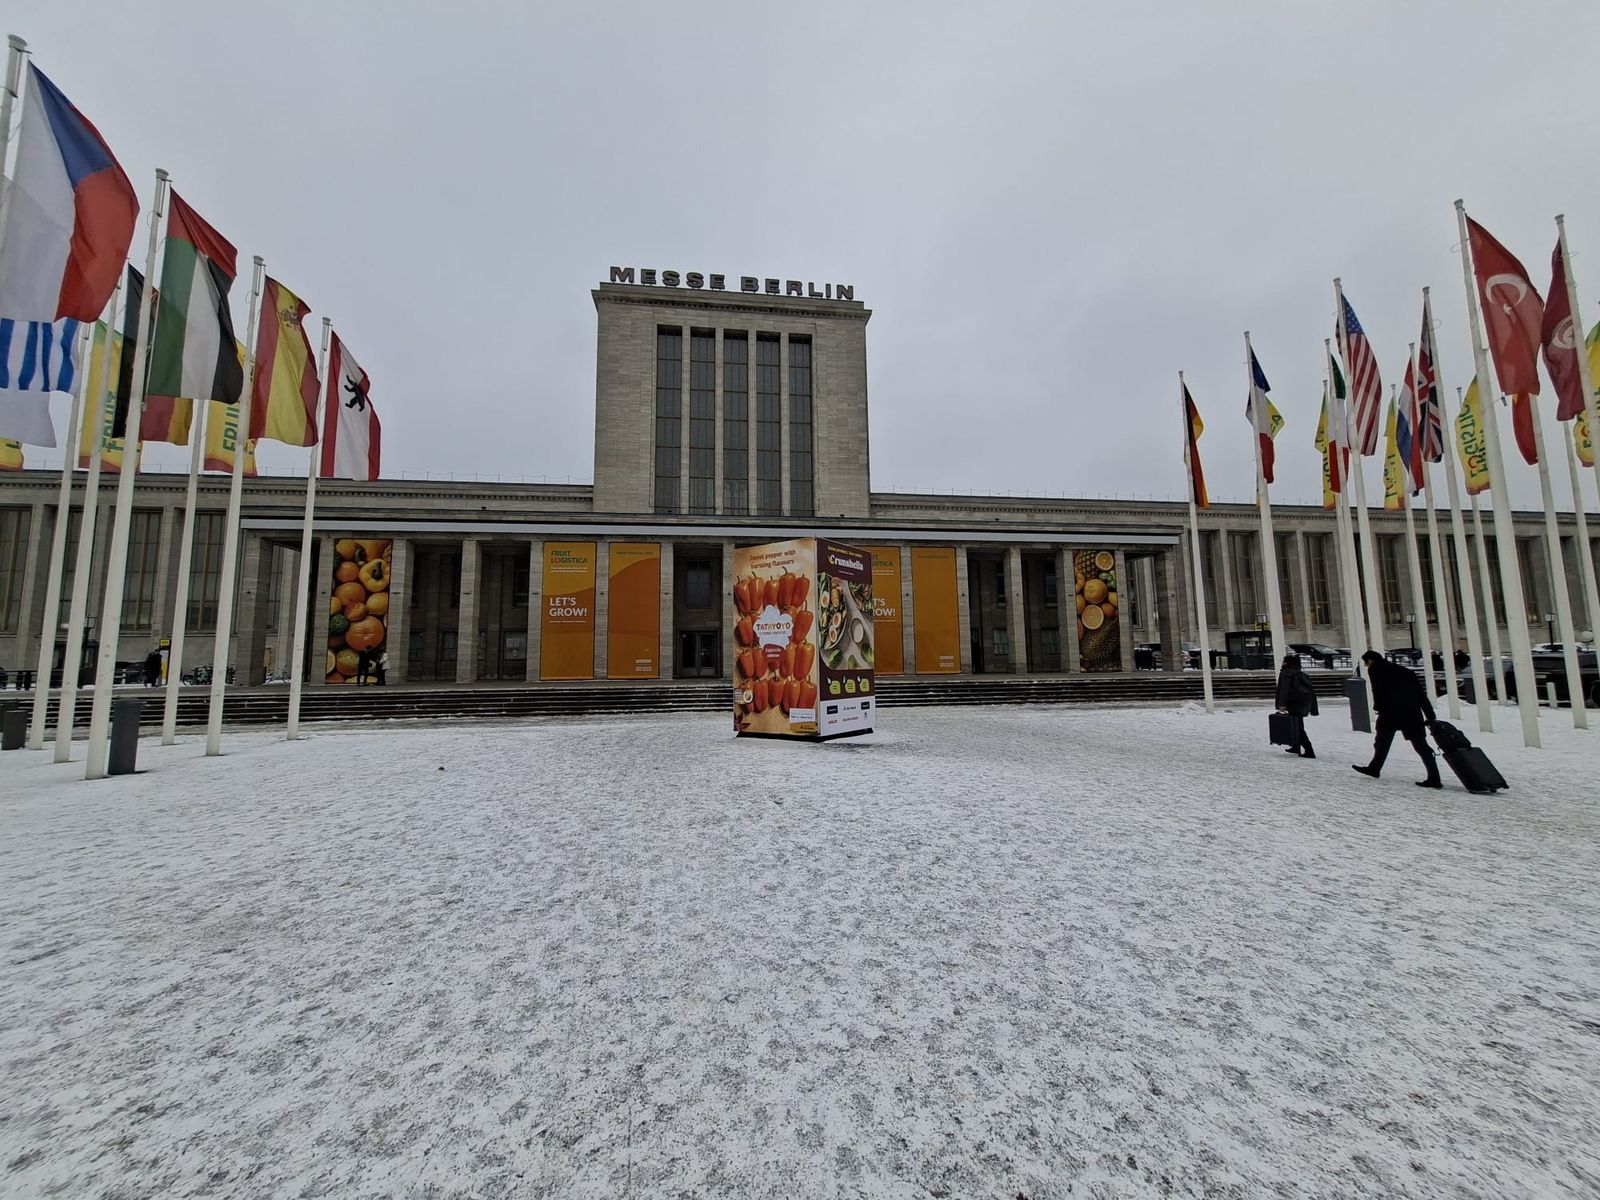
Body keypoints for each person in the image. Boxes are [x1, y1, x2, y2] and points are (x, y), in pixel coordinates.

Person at [1353, 650, 1442, 788]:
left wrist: (1378, 707)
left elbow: (1377, 690)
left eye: (1366, 663)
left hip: (1390, 713)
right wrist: (1430, 716)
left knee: (1382, 742)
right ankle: (1434, 777)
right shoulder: (1406, 671)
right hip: (1412, 713)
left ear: (1370, 660)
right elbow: (1421, 695)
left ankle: (1374, 768)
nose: (1366, 666)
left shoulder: (1376, 668)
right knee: (1421, 746)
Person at [1274, 653, 1317, 758]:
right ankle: (1296, 746)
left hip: (1292, 703)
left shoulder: (1286, 673)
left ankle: (1309, 750)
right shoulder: (1299, 673)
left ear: (1287, 663)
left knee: (1298, 728)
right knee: (1296, 725)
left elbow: (1285, 690)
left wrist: (1282, 704)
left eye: (1284, 661)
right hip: (1300, 703)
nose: (1282, 663)